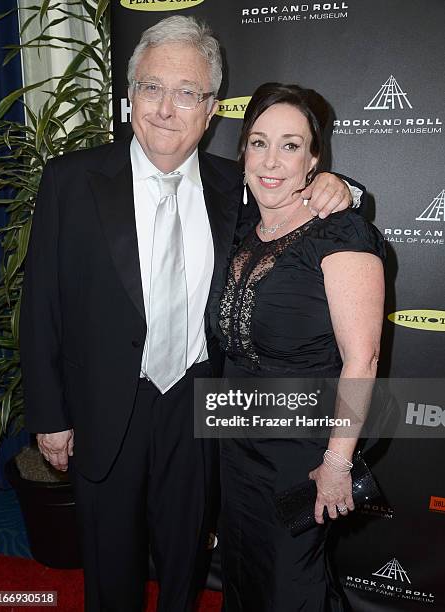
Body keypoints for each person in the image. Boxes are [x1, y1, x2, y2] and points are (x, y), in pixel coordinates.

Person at [20, 16, 363, 612]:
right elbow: (41, 305)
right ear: (129, 98)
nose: (166, 108)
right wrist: (49, 415)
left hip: (198, 409)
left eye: (187, 93)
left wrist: (346, 188)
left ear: (210, 111)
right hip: (104, 411)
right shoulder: (71, 181)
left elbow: (301, 196)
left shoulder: (235, 184)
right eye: (152, 87)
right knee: (110, 571)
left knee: (186, 560)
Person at [212, 82, 385, 611]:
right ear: (242, 151)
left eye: (290, 145)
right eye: (259, 142)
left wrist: (337, 463)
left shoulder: (342, 234)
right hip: (234, 443)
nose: (271, 160)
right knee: (244, 575)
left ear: (314, 160)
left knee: (291, 585)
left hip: (301, 453)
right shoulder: (240, 228)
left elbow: (363, 358)